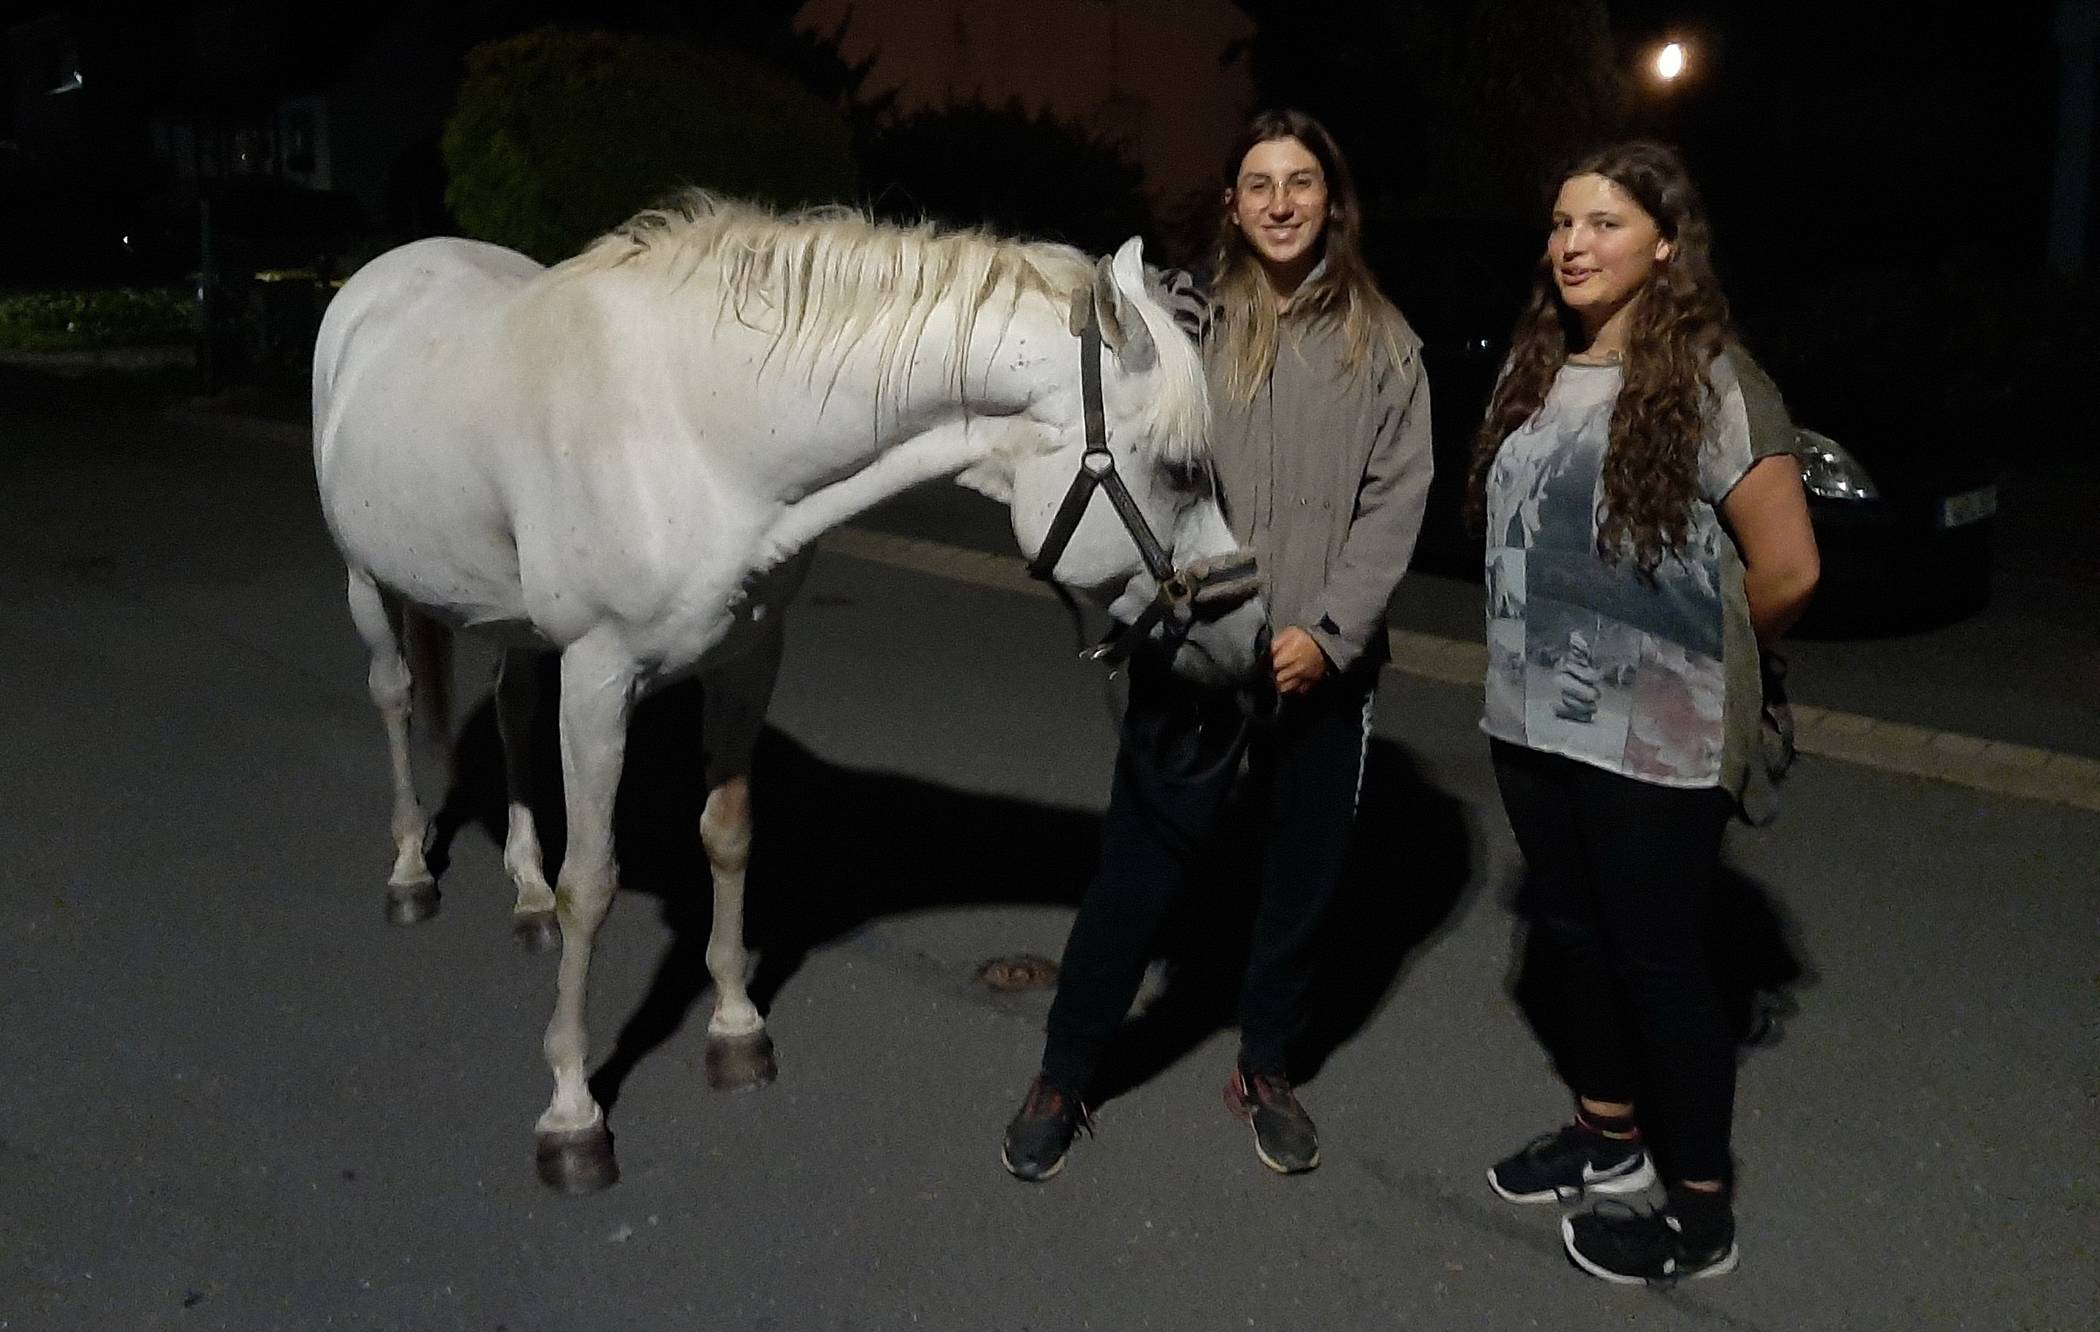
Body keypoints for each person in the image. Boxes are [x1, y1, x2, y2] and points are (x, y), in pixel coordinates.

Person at [1000, 108, 1433, 1182]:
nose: (1282, 202)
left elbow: (1395, 503)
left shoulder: (1384, 342)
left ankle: (1267, 1064)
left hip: (1320, 665)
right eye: (1260, 185)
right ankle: (1066, 1070)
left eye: (1301, 181)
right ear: (1232, 206)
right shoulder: (1184, 324)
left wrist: (1331, 636)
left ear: (1331, 198)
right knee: (1135, 878)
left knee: (1301, 885)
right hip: (1191, 654)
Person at [1468, 141, 1819, 1283]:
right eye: (1561, 224)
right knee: (1573, 940)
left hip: (1656, 737)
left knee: (1658, 963)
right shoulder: (1539, 369)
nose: (1572, 245)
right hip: (1532, 719)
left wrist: (1685, 658)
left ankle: (1701, 1214)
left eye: (1604, 223)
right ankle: (1608, 1139)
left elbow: (1789, 571)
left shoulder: (1717, 382)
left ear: (1666, 243)